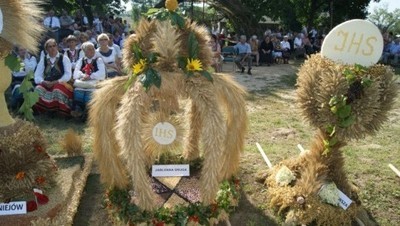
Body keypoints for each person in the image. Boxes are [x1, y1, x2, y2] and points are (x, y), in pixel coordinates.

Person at [34, 39, 72, 117]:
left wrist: (57, 81)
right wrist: (43, 82)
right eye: (50, 47)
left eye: (54, 46)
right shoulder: (43, 59)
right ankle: (44, 111)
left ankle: (61, 112)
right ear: (46, 49)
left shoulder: (64, 58)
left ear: (57, 47)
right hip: (47, 83)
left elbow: (68, 75)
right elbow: (37, 75)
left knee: (57, 90)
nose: (52, 48)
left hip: (61, 83)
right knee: (38, 89)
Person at [71, 42, 106, 118]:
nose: (92, 51)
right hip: (82, 82)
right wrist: (83, 75)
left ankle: (88, 112)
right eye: (89, 49)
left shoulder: (98, 60)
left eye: (93, 49)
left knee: (88, 95)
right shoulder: (81, 60)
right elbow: (75, 73)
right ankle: (78, 110)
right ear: (84, 51)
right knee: (79, 91)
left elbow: (102, 73)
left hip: (93, 83)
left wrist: (90, 76)